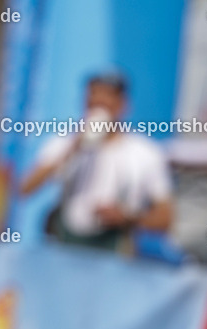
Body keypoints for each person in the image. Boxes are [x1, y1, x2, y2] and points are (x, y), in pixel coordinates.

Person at [20, 71, 173, 251]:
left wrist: (127, 218)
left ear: (122, 105)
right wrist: (73, 148)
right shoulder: (64, 142)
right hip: (65, 247)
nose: (97, 108)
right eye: (93, 101)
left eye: (105, 103)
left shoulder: (145, 153)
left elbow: (166, 218)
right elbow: (25, 188)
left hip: (112, 252)